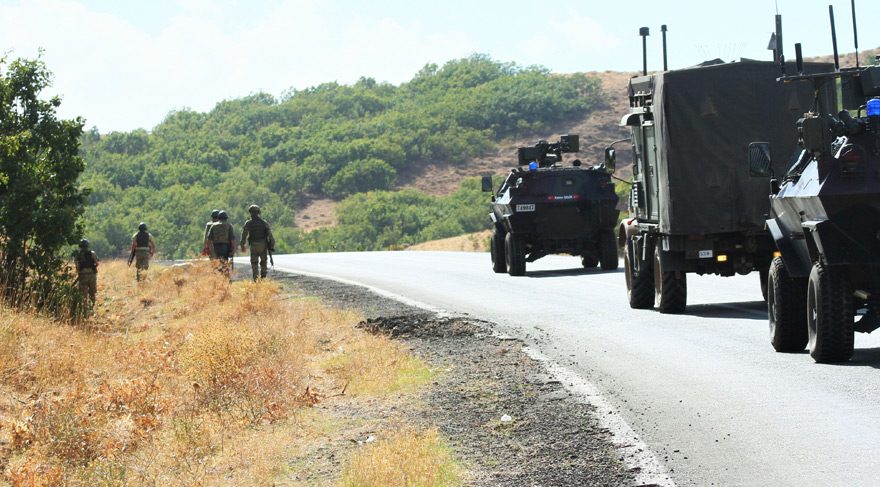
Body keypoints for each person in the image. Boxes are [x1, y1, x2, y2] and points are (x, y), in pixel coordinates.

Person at [240, 204, 276, 281]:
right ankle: (263, 278)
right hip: (263, 245)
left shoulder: (248, 223)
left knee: (254, 263)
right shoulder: (264, 223)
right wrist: (272, 245)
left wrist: (242, 245)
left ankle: (256, 280)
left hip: (253, 245)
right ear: (258, 212)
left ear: (250, 213)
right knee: (263, 262)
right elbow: (270, 235)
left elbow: (244, 235)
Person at [207, 210, 236, 278]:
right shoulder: (229, 225)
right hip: (226, 248)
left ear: (219, 217)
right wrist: (233, 249)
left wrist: (209, 249)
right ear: (226, 218)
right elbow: (232, 239)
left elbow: (209, 239)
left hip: (216, 248)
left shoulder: (213, 226)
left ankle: (218, 278)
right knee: (225, 263)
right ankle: (225, 278)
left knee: (218, 263)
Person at [75, 239, 99, 309]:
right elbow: (97, 263)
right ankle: (92, 306)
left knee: (83, 293)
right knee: (92, 292)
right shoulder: (92, 253)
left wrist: (80, 272)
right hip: (92, 275)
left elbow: (77, 267)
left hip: (82, 275)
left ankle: (84, 308)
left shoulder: (77, 255)